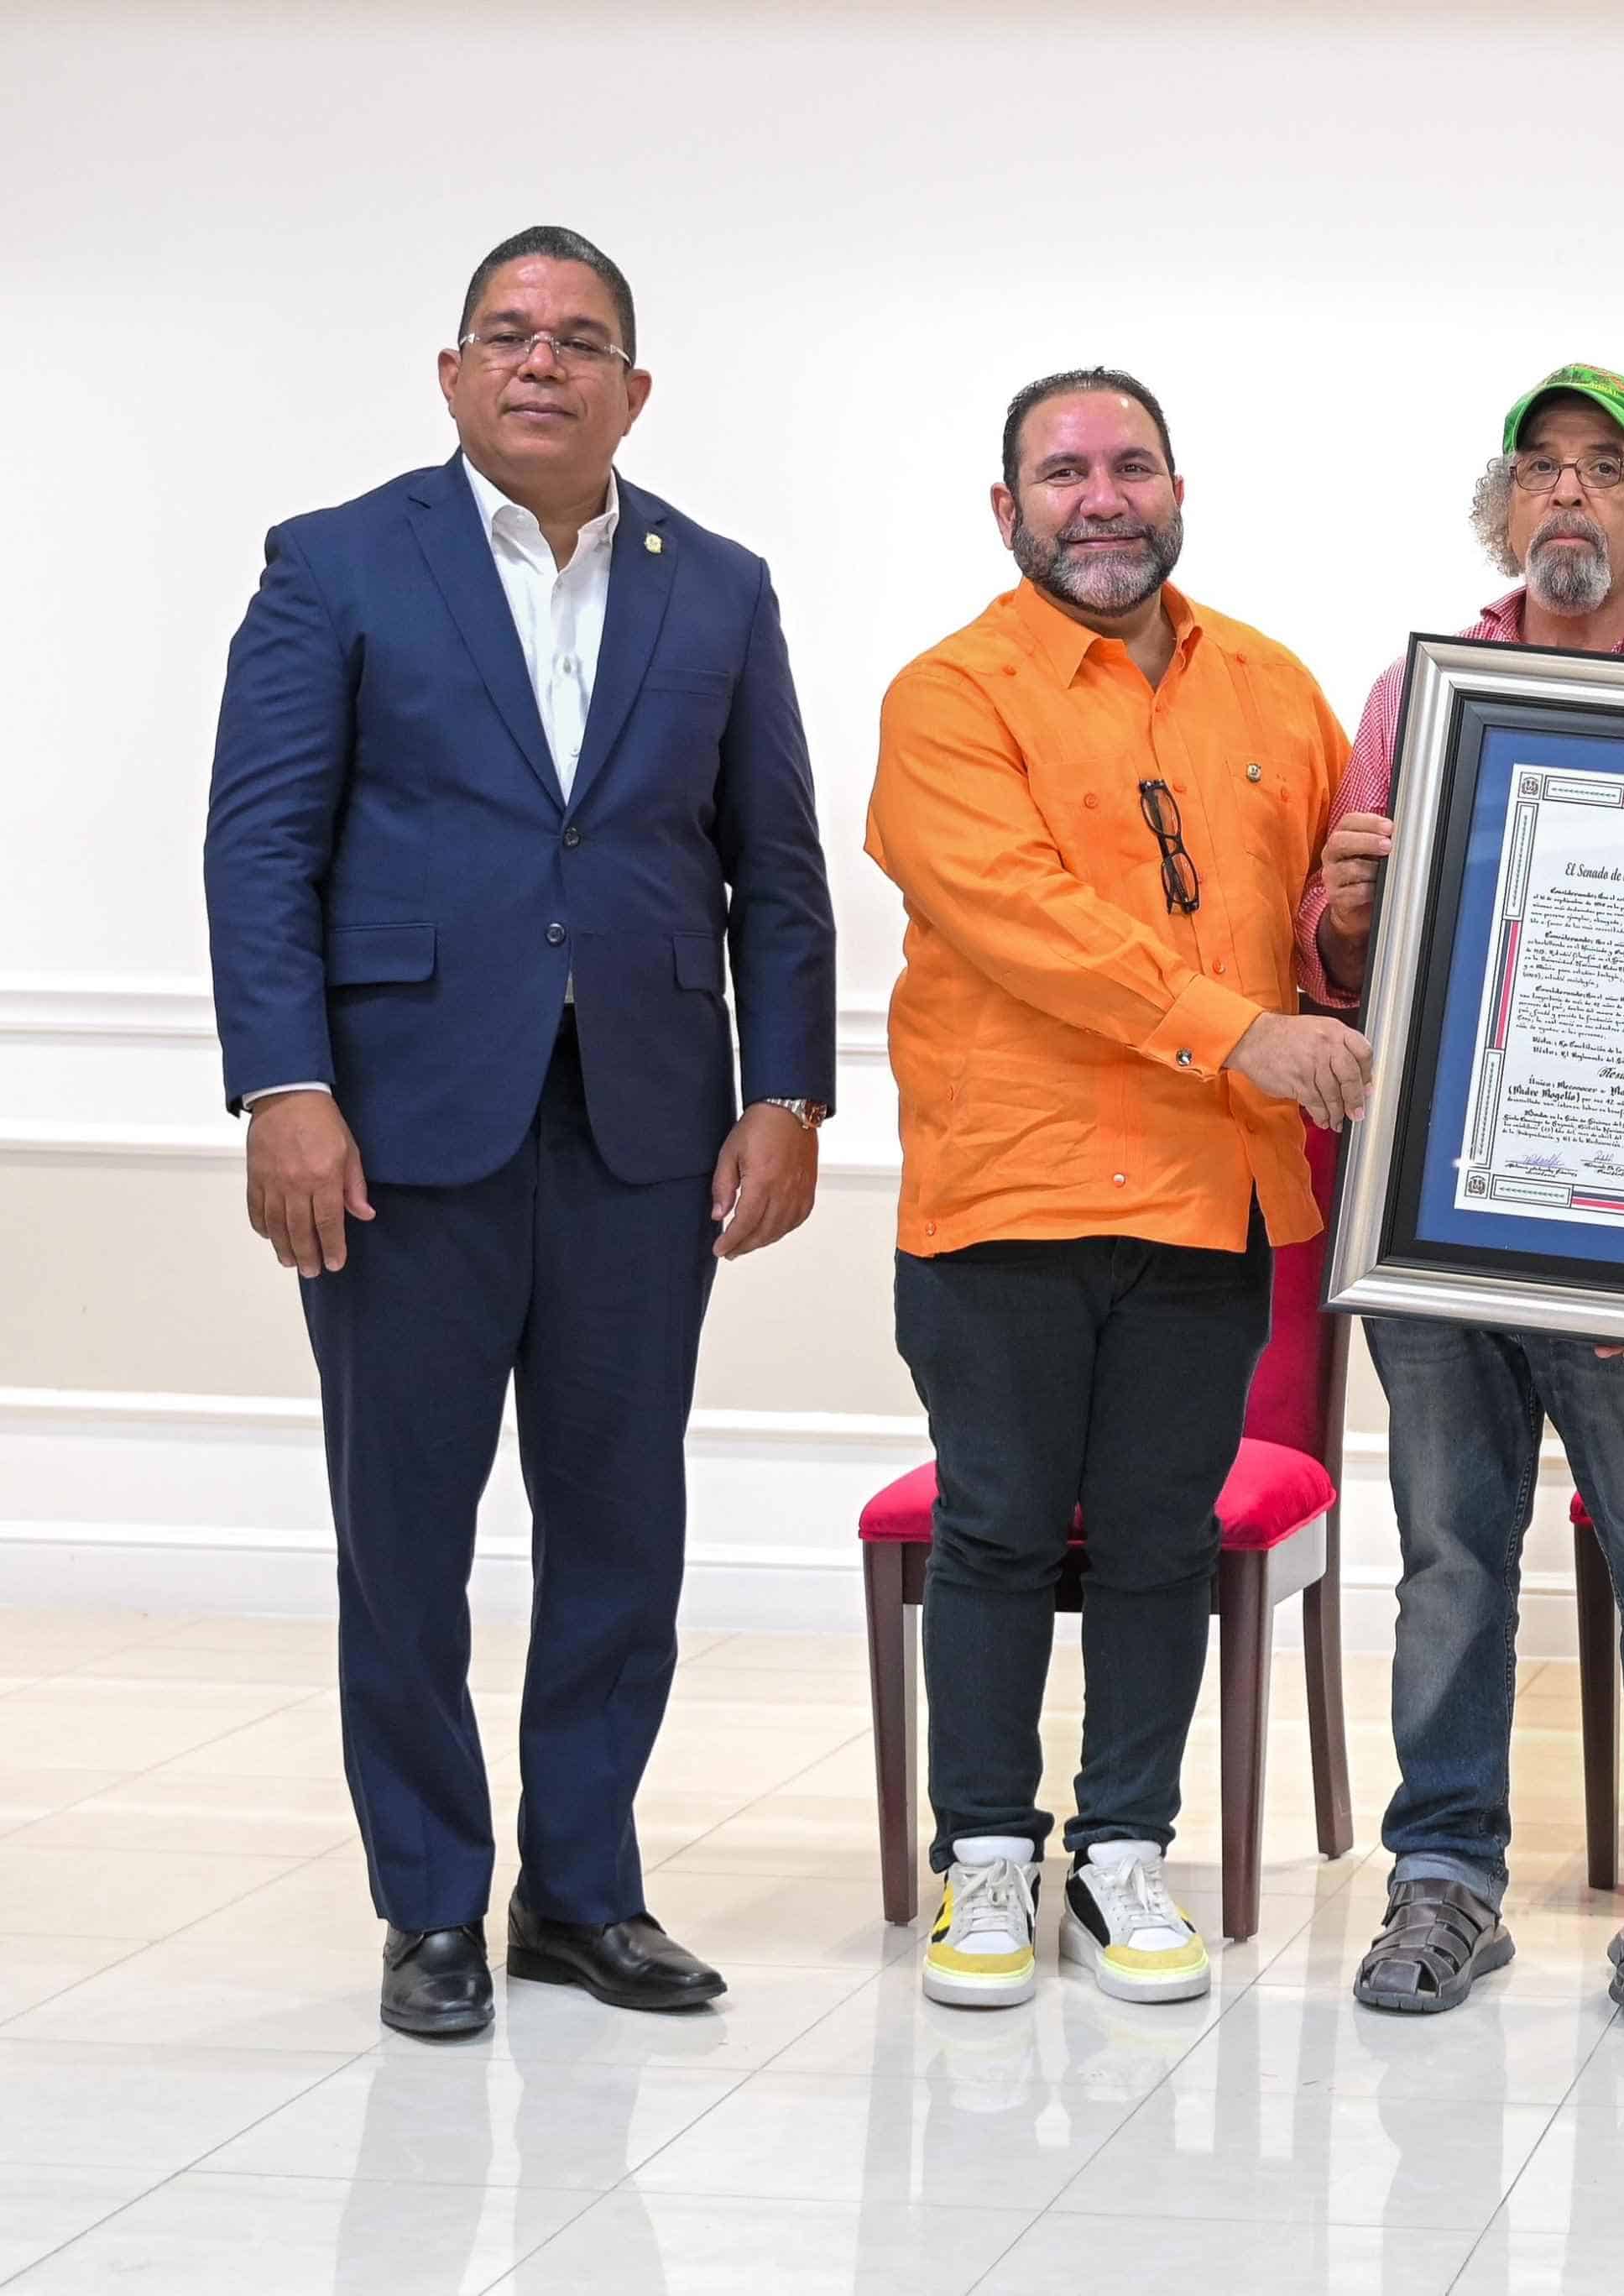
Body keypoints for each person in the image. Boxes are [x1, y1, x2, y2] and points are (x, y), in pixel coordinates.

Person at [201, 225, 835, 2038]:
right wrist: (284, 1084)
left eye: (578, 340)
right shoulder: (335, 565)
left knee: (621, 1534)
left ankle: (581, 1892)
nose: (539, 362)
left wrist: (783, 1091)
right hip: (398, 1133)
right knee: (402, 1539)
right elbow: (260, 846)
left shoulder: (715, 585)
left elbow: (771, 874)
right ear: (453, 374)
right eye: (505, 335)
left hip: (646, 1136)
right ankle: (426, 1906)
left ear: (636, 386)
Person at [866, 366, 1370, 2012]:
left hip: (1207, 1199)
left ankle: (1125, 1854)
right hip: (1007, 1190)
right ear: (1004, 505)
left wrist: (1363, 930)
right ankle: (988, 1865)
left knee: (1158, 1539)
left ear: (1175, 487)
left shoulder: (1276, 692)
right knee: (1003, 1532)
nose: (1101, 498)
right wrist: (1251, 1034)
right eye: (1062, 470)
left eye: (1129, 465)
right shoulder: (950, 697)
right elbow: (1024, 924)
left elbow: (1310, 937)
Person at [1298, 363, 1624, 2022]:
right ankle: (1444, 1881)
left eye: (1607, 468)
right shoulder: (1412, 698)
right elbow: (1346, 968)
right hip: (1436, 1214)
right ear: (1505, 511)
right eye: (1540, 467)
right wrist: (1346, 914)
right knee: (1447, 1555)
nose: (1569, 492)